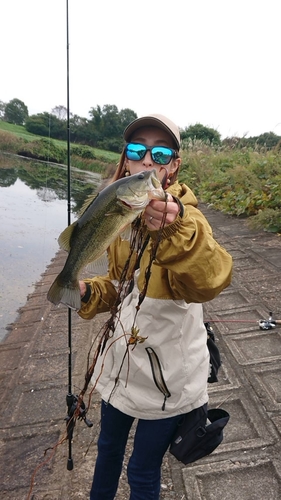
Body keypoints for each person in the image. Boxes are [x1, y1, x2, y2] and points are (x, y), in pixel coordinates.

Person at [78, 114, 233, 500]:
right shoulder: (121, 213)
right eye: (137, 150)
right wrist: (86, 293)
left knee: (142, 470)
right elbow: (118, 288)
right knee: (107, 450)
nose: (148, 160)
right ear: (127, 160)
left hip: (167, 382)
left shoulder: (188, 219)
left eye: (160, 152)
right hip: (120, 369)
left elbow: (212, 277)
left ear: (173, 166)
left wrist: (175, 226)